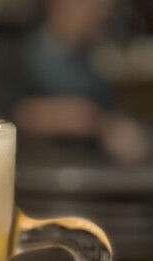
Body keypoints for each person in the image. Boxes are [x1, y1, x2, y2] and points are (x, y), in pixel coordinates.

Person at [11, 0, 150, 164]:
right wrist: (69, 117)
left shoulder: (90, 58)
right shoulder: (29, 55)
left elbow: (108, 112)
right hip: (46, 160)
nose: (96, 14)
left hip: (93, 160)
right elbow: (13, 115)